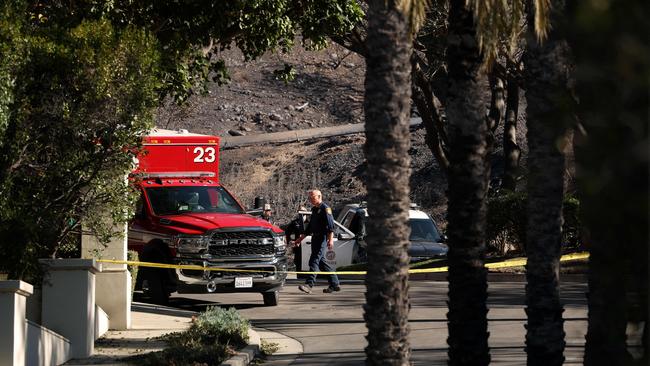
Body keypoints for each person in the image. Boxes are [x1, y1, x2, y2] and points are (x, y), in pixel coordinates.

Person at [292, 189, 341, 294]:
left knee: (314, 261)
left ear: (319, 196)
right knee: (321, 262)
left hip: (322, 238)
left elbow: (331, 226)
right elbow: (309, 228)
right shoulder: (314, 209)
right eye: (309, 197)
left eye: (312, 197)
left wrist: (330, 240)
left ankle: (309, 285)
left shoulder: (325, 209)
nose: (310, 199)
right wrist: (299, 240)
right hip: (315, 238)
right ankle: (334, 283)